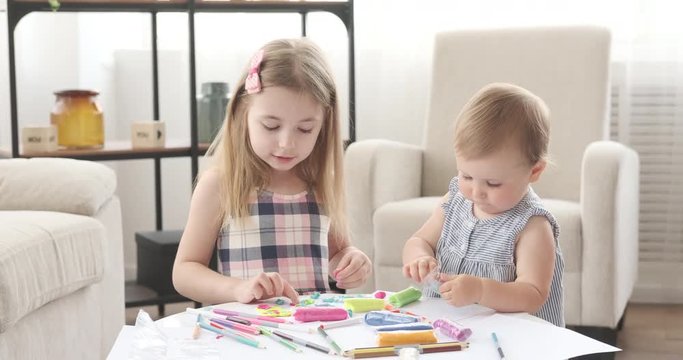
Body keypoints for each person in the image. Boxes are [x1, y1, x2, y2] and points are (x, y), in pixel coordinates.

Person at [173, 38, 372, 306]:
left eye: (305, 129)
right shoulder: (221, 185)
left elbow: (338, 253)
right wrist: (236, 289)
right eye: (270, 126)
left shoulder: (322, 185)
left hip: (313, 332)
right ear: (242, 114)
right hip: (250, 334)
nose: (286, 143)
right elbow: (185, 271)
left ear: (324, 126)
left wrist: (351, 260)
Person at [402, 83, 565, 326]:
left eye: (493, 183)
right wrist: (419, 258)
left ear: (534, 171)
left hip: (516, 339)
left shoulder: (532, 225)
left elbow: (533, 294)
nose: (476, 192)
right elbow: (419, 241)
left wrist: (480, 290)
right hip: (451, 330)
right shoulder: (456, 199)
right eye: (466, 176)